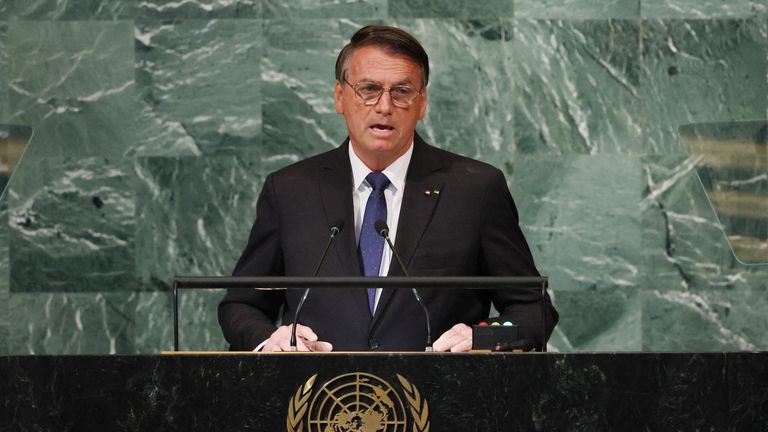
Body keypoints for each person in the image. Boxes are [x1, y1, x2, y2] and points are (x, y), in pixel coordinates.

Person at [218, 25, 558, 352]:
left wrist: (482, 338)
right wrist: (269, 339)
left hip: (441, 401)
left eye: (402, 92)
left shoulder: (475, 189)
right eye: (368, 89)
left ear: (422, 103)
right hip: (318, 403)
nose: (384, 106)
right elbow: (241, 306)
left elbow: (534, 310)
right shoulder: (291, 190)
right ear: (340, 96)